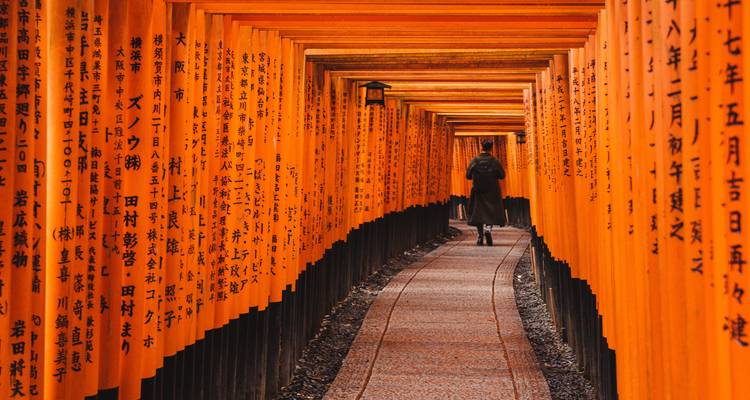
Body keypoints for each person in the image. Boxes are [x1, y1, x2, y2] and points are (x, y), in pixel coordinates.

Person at [465, 139, 506, 246]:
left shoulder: (475, 160)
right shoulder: (495, 161)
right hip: (492, 191)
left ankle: (479, 236)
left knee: (478, 213)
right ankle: (488, 229)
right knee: (490, 212)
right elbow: (502, 175)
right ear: (491, 148)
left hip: (478, 191)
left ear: (481, 147)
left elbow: (468, 175)